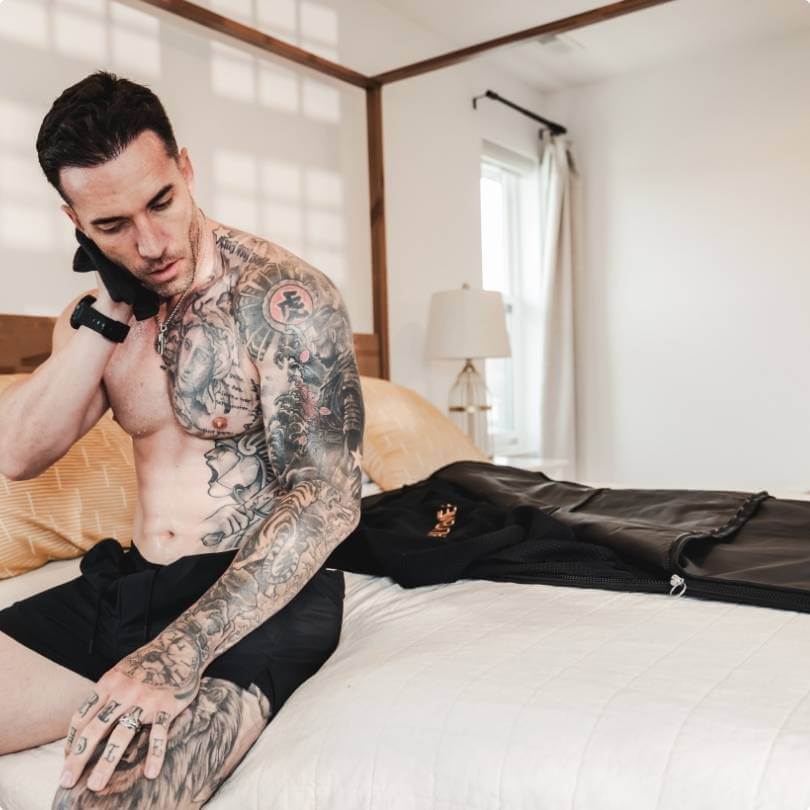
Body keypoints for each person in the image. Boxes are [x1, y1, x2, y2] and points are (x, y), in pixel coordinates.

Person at [0, 69, 364, 808]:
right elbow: (18, 454)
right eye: (111, 226)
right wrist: (104, 309)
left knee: (101, 802)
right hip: (133, 582)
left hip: (259, 593)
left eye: (161, 201)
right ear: (76, 221)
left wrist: (181, 649)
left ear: (185, 169)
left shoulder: (285, 302)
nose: (151, 241)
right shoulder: (99, 317)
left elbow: (327, 499)